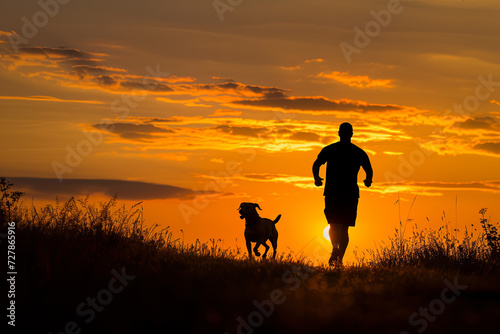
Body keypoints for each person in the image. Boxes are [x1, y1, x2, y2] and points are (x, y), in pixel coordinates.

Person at [312, 122, 373, 267]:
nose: (345, 134)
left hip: (341, 193)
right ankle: (338, 255)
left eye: (346, 132)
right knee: (341, 226)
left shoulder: (333, 150)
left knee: (337, 225)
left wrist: (317, 177)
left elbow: (316, 164)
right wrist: (368, 179)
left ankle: (336, 252)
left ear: (343, 133)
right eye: (345, 132)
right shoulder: (356, 152)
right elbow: (369, 169)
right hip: (344, 193)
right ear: (344, 133)